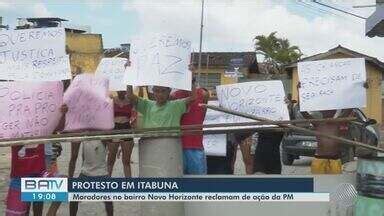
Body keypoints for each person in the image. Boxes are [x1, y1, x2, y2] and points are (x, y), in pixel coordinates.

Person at [5, 104, 67, 216]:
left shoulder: (42, 123)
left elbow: (59, 128)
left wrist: (63, 113)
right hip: (19, 177)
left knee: (65, 184)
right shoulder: (14, 126)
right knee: (22, 210)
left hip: (38, 174)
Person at [297, 82, 368, 174]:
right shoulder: (317, 123)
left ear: (335, 111)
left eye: (331, 109)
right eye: (326, 109)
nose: (328, 111)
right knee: (318, 185)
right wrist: (300, 91)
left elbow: (351, 106)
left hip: (335, 159)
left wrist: (361, 90)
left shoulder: (338, 122)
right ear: (321, 111)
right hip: (319, 159)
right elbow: (302, 110)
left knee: (334, 184)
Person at [170, 77, 210, 175]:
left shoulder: (203, 93)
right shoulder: (174, 96)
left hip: (195, 145)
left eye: (191, 79)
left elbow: (202, 116)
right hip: (177, 145)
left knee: (198, 184)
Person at [68, 139, 113, 216]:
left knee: (108, 201)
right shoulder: (85, 135)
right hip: (86, 172)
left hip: (101, 173)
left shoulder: (103, 137)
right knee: (73, 197)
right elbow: (75, 157)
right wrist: (70, 178)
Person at [107, 91, 135, 177]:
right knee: (111, 159)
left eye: (123, 91)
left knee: (126, 160)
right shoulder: (111, 100)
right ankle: (106, 183)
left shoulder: (131, 101)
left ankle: (128, 184)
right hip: (114, 127)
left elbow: (135, 114)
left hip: (126, 127)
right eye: (119, 91)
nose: (121, 92)